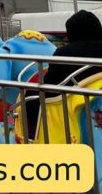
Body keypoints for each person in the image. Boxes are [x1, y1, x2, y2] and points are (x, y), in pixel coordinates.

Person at [24, 10, 102, 140]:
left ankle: (37, 136)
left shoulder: (64, 53)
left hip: (72, 111)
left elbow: (50, 86)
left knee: (29, 97)